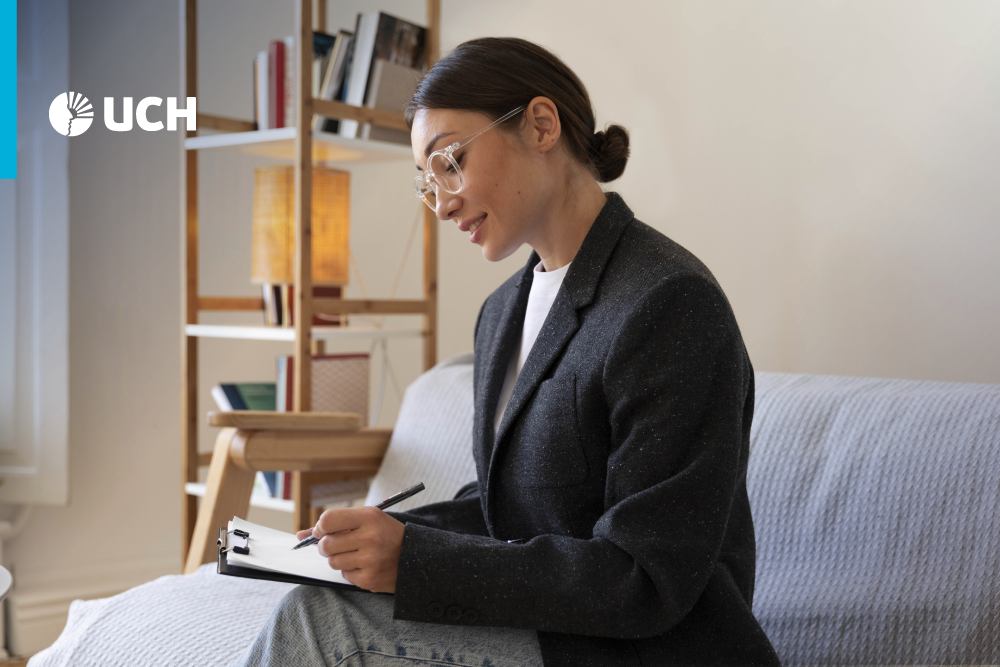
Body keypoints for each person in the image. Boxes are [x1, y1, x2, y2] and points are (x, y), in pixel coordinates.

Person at [239, 37, 779, 666]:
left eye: (450, 162)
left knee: (321, 621)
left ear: (541, 125)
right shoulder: (501, 314)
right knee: (318, 590)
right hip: (554, 629)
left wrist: (414, 562)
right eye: (426, 182)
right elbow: (510, 517)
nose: (441, 202)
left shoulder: (669, 303)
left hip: (650, 648)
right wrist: (376, 542)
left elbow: (645, 578)